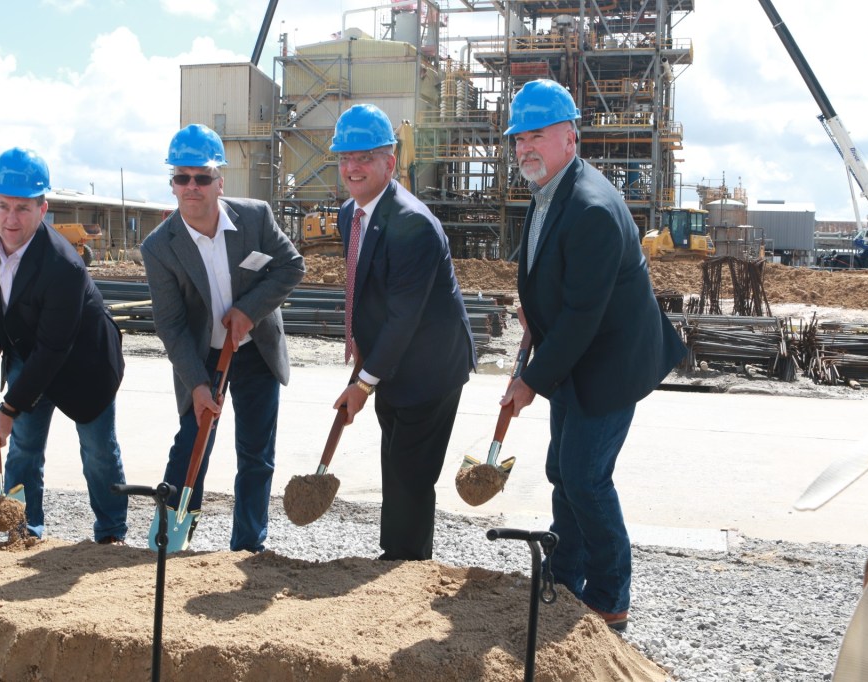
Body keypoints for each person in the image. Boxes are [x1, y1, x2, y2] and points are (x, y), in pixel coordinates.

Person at [498, 80, 687, 631]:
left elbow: (584, 317)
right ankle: (565, 576)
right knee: (564, 469)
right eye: (518, 138)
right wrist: (533, 315)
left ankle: (609, 596)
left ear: (569, 138)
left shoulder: (591, 207)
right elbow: (547, 279)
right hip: (575, 356)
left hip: (608, 365)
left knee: (584, 477)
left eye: (536, 135)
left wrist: (530, 380)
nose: (525, 148)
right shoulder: (549, 192)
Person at [141, 124, 304, 552]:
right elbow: (171, 324)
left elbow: (290, 267)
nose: (191, 187)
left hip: (255, 352)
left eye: (202, 177)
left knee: (255, 454)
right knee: (194, 441)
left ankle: (249, 544)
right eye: (182, 177)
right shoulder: (160, 247)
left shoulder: (255, 218)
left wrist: (248, 312)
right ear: (173, 184)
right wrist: (197, 383)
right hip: (201, 354)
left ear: (220, 181)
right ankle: (171, 536)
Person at [330, 104, 476, 561]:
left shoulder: (413, 224)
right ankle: (395, 556)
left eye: (365, 157)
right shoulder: (349, 215)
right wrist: (362, 357)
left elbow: (404, 316)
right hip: (390, 362)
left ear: (389, 163)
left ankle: (406, 564)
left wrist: (363, 384)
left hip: (429, 367)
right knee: (394, 464)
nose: (352, 168)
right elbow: (369, 290)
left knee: (411, 474)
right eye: (344, 157)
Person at [0, 147, 129, 544]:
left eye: (23, 208)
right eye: (2, 205)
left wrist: (6, 409)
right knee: (24, 447)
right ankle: (24, 529)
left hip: (83, 362)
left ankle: (111, 534)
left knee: (98, 452)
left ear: (43, 208)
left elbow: (54, 350)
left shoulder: (63, 266)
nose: (10, 218)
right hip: (29, 347)